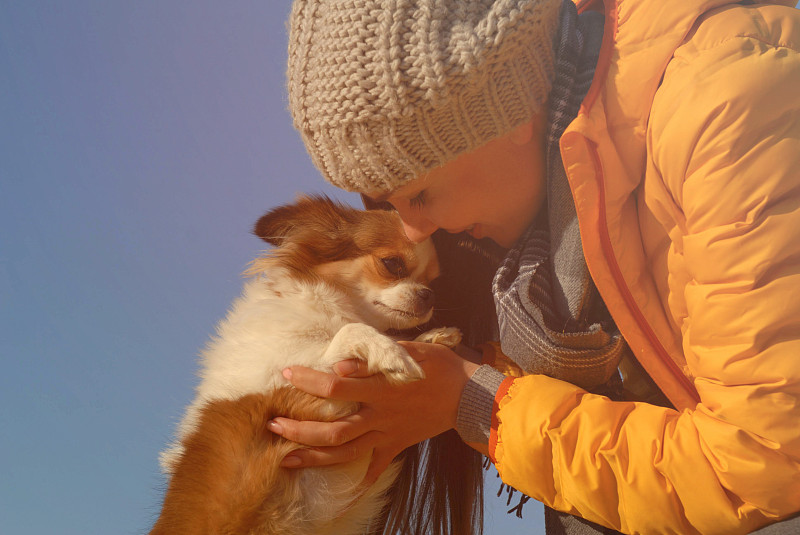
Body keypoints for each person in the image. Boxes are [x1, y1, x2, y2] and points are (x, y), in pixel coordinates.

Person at [265, 0, 800, 533]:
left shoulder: (724, 109)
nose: (414, 232)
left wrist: (478, 402)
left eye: (421, 194)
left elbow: (764, 467)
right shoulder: (542, 237)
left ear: (503, 110)